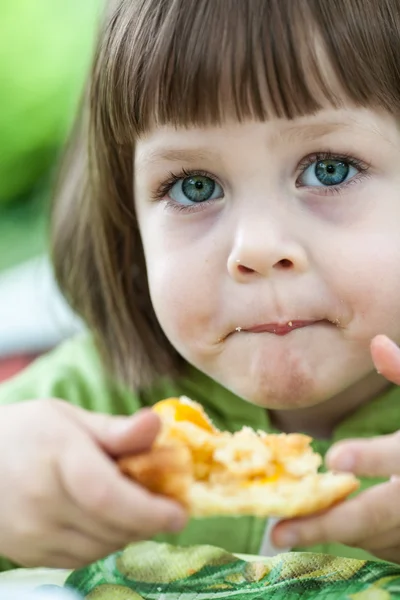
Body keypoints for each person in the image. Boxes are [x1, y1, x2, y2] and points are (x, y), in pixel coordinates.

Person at [1, 0, 400, 572]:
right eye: (193, 186)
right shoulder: (80, 415)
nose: (257, 249)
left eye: (328, 168)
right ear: (126, 222)